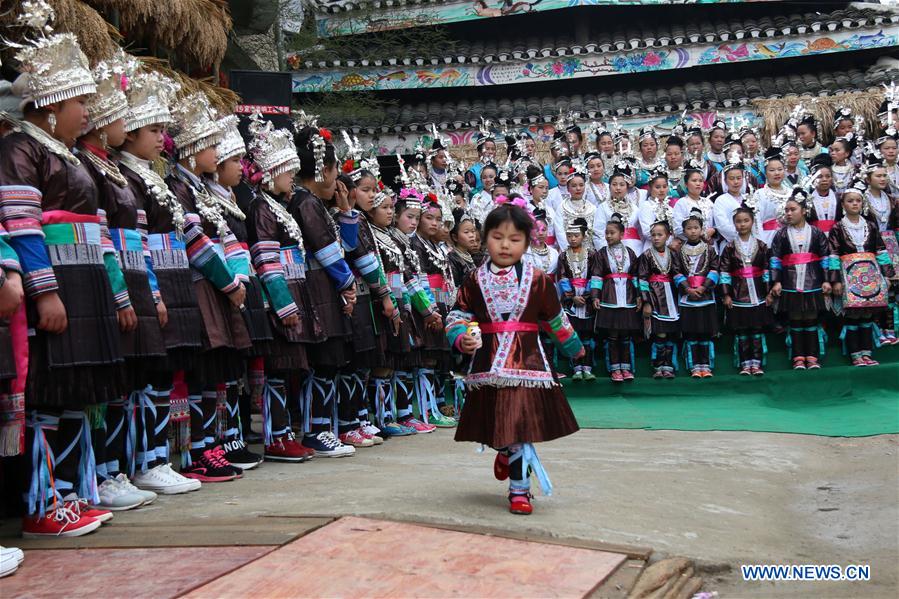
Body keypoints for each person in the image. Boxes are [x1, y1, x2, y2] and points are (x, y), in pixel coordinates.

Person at [1, 22, 121, 536]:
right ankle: (43, 502)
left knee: (75, 390)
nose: (89, 112)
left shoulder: (64, 153)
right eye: (82, 102)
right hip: (54, 286)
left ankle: (71, 494)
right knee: (50, 393)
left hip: (83, 282)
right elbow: (21, 224)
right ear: (53, 104)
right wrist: (44, 290)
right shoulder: (21, 150)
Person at [447, 198, 584, 515]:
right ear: (485, 238)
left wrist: (573, 347)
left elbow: (554, 319)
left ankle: (519, 491)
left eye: (514, 239)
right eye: (497, 237)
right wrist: (460, 337)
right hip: (489, 363)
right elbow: (457, 315)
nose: (505, 245)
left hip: (527, 364)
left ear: (527, 242)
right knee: (497, 422)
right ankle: (505, 451)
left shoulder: (538, 280)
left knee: (520, 428)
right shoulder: (474, 280)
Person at [77, 54, 165, 508]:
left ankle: (127, 466)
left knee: (135, 377)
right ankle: (104, 473)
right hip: (104, 286)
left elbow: (138, 240)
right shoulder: (88, 166)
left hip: (128, 282)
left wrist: (148, 289)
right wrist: (120, 293)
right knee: (109, 382)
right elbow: (103, 237)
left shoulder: (113, 171)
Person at [117, 71, 205, 491]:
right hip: (144, 281)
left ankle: (156, 459)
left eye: (163, 130)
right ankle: (142, 462)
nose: (161, 138)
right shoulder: (129, 176)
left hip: (167, 282)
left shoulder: (147, 175)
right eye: (153, 129)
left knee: (163, 372)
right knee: (147, 373)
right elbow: (138, 240)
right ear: (128, 131)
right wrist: (151, 290)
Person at [166, 93, 250, 481]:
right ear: (192, 146)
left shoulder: (197, 187)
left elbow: (226, 236)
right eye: (212, 145)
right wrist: (229, 281)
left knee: (214, 367)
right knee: (201, 367)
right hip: (201, 286)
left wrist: (237, 278)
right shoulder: (178, 188)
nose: (216, 153)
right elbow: (194, 238)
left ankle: (210, 446)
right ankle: (198, 449)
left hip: (217, 287)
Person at [244, 115, 315, 462]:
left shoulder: (278, 207)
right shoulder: (262, 209)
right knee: (278, 369)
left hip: (292, 292)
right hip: (279, 300)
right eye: (287, 171)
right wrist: (283, 305)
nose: (292, 178)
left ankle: (285, 432)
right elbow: (266, 261)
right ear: (270, 173)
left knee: (288, 371)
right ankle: (275, 436)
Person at [206, 115, 272, 468]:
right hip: (225, 288)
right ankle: (222, 440)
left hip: (239, 286)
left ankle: (232, 437)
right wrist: (234, 282)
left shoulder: (229, 197)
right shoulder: (208, 198)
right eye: (234, 160)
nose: (241, 168)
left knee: (236, 368)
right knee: (223, 369)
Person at [290, 123, 358, 457]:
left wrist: (345, 212)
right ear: (323, 169)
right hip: (318, 289)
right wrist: (347, 284)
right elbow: (326, 250)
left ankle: (322, 427)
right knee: (324, 360)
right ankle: (315, 429)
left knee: (331, 360)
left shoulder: (316, 204)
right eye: (334, 172)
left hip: (325, 288)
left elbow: (345, 245)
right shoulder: (306, 204)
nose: (337, 182)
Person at [827, 180, 895, 366]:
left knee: (867, 315)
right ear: (843, 204)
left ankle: (867, 352)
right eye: (850, 201)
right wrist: (835, 281)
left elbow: (880, 251)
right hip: (848, 277)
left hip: (870, 276)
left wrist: (887, 275)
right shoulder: (837, 228)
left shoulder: (871, 226)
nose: (855, 204)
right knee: (853, 315)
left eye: (858, 200)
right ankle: (855, 353)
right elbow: (833, 255)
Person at [769, 189, 831, 370]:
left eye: (793, 209)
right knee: (795, 317)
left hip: (813, 280)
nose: (788, 213)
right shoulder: (781, 234)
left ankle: (812, 356)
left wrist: (827, 279)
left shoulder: (816, 232)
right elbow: (775, 259)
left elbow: (825, 257)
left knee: (811, 317)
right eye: (786, 210)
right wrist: (776, 281)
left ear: (804, 210)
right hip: (790, 281)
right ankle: (798, 356)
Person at [719, 205, 773, 375]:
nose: (742, 224)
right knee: (742, 329)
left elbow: (766, 270)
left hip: (758, 292)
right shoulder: (729, 247)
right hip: (738, 293)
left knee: (756, 328)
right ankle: (744, 362)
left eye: (746, 221)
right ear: (734, 224)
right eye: (738, 221)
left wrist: (769, 292)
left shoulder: (762, 246)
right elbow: (725, 272)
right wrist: (726, 294)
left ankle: (756, 362)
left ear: (752, 222)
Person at [591, 214, 642, 382]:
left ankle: (626, 367)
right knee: (613, 335)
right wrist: (595, 296)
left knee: (625, 334)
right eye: (606, 233)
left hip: (627, 297)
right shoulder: (601, 254)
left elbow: (635, 276)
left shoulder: (630, 252)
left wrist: (639, 296)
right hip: (610, 297)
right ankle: (614, 368)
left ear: (622, 234)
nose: (608, 236)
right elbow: (597, 276)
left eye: (612, 233)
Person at [674, 210, 720, 378]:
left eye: (696, 228)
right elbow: (677, 272)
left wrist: (704, 287)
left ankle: (706, 365)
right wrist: (687, 289)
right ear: (684, 231)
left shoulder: (709, 249)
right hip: (687, 297)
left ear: (702, 229)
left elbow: (715, 270)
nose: (692, 231)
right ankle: (694, 365)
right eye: (689, 228)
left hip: (705, 296)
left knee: (705, 331)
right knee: (691, 331)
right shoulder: (679, 252)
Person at [638, 211, 680, 378]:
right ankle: (658, 365)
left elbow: (677, 273)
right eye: (653, 235)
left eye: (660, 235)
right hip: (656, 296)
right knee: (660, 332)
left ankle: (669, 365)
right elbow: (642, 279)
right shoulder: (646, 256)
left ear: (668, 236)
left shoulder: (674, 254)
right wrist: (646, 302)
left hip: (671, 295)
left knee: (670, 332)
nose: (656, 238)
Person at [558, 218, 596, 380]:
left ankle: (587, 368)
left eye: (576, 235)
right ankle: (576, 368)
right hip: (572, 299)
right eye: (570, 236)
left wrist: (586, 296)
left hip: (586, 299)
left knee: (587, 335)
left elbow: (594, 276)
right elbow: (562, 278)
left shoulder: (592, 255)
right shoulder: (563, 256)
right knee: (574, 334)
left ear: (583, 236)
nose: (572, 239)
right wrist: (572, 297)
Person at [594, 160, 643, 255]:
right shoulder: (603, 207)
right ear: (609, 187)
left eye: (622, 185)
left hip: (635, 249)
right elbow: (598, 234)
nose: (618, 188)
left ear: (627, 187)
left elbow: (640, 233)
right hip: (611, 249)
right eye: (614, 184)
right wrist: (606, 253)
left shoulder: (635, 209)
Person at [753, 146, 793, 245]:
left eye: (780, 169)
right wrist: (762, 244)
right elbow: (757, 222)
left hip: (791, 238)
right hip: (768, 239)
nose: (777, 173)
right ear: (766, 173)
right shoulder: (760, 194)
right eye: (772, 170)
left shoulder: (791, 193)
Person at [672, 158, 715, 245]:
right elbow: (677, 229)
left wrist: (713, 230)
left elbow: (714, 224)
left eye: (700, 181)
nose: (698, 184)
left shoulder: (708, 202)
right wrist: (699, 234)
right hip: (689, 245)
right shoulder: (682, 203)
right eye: (694, 181)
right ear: (686, 184)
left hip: (709, 245)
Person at [637, 166, 675, 253]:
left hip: (669, 250)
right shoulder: (646, 206)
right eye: (657, 187)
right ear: (650, 188)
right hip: (652, 248)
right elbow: (647, 232)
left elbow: (674, 231)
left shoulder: (670, 209)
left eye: (664, 187)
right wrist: (668, 242)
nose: (662, 190)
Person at [808, 154, 839, 234]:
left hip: (835, 235)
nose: (824, 179)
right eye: (820, 176)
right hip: (814, 235)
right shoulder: (807, 200)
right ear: (813, 179)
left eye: (828, 176)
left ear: (832, 179)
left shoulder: (838, 198)